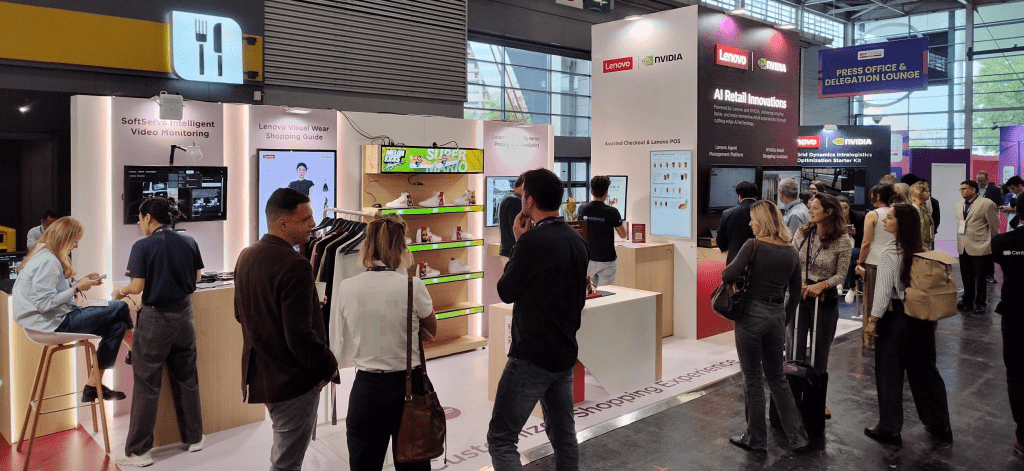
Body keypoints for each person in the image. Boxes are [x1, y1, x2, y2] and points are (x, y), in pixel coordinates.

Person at [487, 168, 588, 471]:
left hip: (531, 356)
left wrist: (519, 242)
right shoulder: (576, 239)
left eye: (522, 196)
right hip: (564, 353)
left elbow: (506, 291)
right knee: (564, 437)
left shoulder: (532, 243)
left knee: (501, 439)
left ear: (529, 202)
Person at [234, 188, 339, 471]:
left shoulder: (245, 256)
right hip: (292, 381)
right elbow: (299, 336)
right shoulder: (295, 265)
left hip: (263, 375)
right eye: (306, 219)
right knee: (287, 462)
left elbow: (240, 313)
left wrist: (308, 304)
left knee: (283, 450)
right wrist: (329, 366)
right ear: (283, 223)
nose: (314, 224)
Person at [336, 212, 438, 471]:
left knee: (364, 464)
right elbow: (432, 329)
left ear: (367, 245)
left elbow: (345, 332)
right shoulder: (412, 286)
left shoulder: (347, 287)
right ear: (400, 247)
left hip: (367, 388)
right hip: (408, 386)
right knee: (414, 465)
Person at [114, 198, 206, 467]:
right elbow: (198, 277)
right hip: (185, 316)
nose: (139, 224)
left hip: (156, 318)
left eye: (140, 219)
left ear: (148, 218)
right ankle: (195, 437)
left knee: (147, 384)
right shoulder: (189, 242)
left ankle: (139, 452)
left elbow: (137, 285)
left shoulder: (142, 246)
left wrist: (119, 291)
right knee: (187, 377)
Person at [12, 217, 131, 402]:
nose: (75, 246)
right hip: (51, 324)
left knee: (118, 326)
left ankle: (92, 386)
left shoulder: (43, 254)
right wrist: (76, 288)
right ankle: (135, 351)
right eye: (75, 241)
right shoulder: (48, 261)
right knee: (121, 306)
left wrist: (79, 282)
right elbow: (44, 304)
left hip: (51, 319)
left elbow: (53, 292)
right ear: (65, 238)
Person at [722, 200, 809, 453]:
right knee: (778, 378)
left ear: (763, 221)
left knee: (752, 379)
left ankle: (756, 439)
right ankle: (798, 438)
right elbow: (795, 294)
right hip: (776, 317)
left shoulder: (753, 246)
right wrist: (785, 319)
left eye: (753, 219)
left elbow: (727, 275)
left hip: (751, 316)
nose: (750, 223)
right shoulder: (791, 251)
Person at [863, 204, 953, 448]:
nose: (885, 221)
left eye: (890, 218)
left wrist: (873, 321)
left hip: (897, 318)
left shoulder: (891, 251)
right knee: (925, 371)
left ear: (900, 223)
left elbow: (882, 292)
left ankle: (889, 427)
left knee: (889, 373)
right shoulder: (923, 248)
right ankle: (939, 423)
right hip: (922, 319)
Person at [791, 193, 853, 420]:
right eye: (810, 206)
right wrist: (797, 281)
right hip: (799, 296)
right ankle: (793, 397)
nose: (810, 210)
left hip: (824, 300)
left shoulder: (842, 239)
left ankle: (817, 399)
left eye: (815, 207)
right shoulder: (802, 233)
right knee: (795, 349)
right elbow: (791, 259)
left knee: (820, 353)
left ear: (828, 211)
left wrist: (823, 285)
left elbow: (841, 275)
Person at [992, 200, 1024, 459]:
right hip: (1013, 313)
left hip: (1014, 314)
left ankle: (1023, 437)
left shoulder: (1003, 242)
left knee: (1017, 374)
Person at [856, 184, 897, 348]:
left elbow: (866, 242)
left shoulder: (872, 215)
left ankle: (870, 340)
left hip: (873, 262)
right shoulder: (896, 212)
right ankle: (888, 338)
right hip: (893, 261)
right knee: (891, 303)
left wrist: (859, 262)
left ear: (878, 197)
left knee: (872, 302)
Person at [955, 180, 999, 314]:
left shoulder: (987, 204)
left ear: (973, 190)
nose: (961, 191)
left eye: (964, 189)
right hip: (963, 245)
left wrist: (992, 244)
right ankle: (967, 300)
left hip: (981, 246)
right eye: (960, 189)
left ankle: (980, 303)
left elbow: (994, 227)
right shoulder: (958, 204)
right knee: (966, 276)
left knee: (980, 278)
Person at [578, 175, 627, 286]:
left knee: (589, 294)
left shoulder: (582, 209)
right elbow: (623, 234)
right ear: (606, 192)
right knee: (606, 294)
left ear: (591, 191)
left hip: (588, 258)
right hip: (607, 260)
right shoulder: (612, 212)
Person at [717, 181, 758, 265]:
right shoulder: (766, 212)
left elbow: (721, 241)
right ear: (756, 196)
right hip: (759, 262)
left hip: (734, 263)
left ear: (739, 197)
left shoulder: (727, 213)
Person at [837, 196, 864, 292]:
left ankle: (843, 284)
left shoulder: (858, 217)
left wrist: (855, 233)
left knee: (848, 255)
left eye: (846, 207)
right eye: (841, 208)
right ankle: (847, 285)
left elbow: (864, 238)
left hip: (855, 246)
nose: (844, 211)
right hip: (837, 245)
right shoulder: (832, 218)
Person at [498, 174, 524, 265]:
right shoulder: (515, 201)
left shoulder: (508, 197)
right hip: (513, 254)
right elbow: (517, 230)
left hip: (508, 253)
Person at [909, 182, 936, 250]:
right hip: (918, 246)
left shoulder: (924, 208)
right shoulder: (914, 209)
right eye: (926, 191)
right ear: (919, 193)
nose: (929, 193)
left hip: (926, 244)